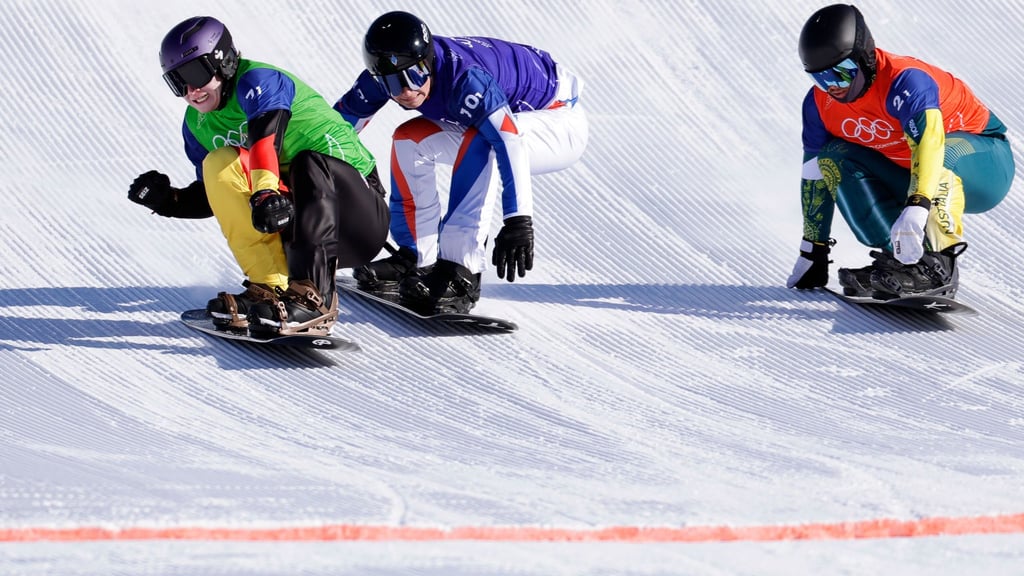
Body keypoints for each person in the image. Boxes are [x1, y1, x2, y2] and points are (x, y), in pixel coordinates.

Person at [128, 16, 389, 337]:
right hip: (298, 224)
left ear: (223, 62)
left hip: (358, 216)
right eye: (177, 82)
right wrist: (170, 201)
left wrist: (266, 192)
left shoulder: (258, 81)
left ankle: (314, 299)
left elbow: (266, 142)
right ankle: (270, 288)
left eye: (195, 74)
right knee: (219, 164)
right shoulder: (196, 124)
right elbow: (217, 195)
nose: (191, 91)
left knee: (307, 163)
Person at [334, 11, 589, 314]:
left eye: (414, 76)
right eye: (391, 83)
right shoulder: (388, 71)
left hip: (557, 119)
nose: (405, 91)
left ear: (428, 60)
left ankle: (461, 271)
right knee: (409, 139)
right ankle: (417, 256)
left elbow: (508, 140)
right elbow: (331, 132)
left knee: (483, 139)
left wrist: (518, 220)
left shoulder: (465, 79)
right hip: (511, 115)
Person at [786, 4, 1014, 299]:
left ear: (865, 58)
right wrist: (813, 249)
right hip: (914, 170)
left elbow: (930, 143)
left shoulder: (905, 81)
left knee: (943, 153)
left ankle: (938, 266)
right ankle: (903, 260)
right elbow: (814, 173)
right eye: (821, 78)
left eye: (841, 74)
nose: (833, 88)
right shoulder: (818, 104)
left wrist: (918, 204)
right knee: (833, 156)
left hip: (984, 162)